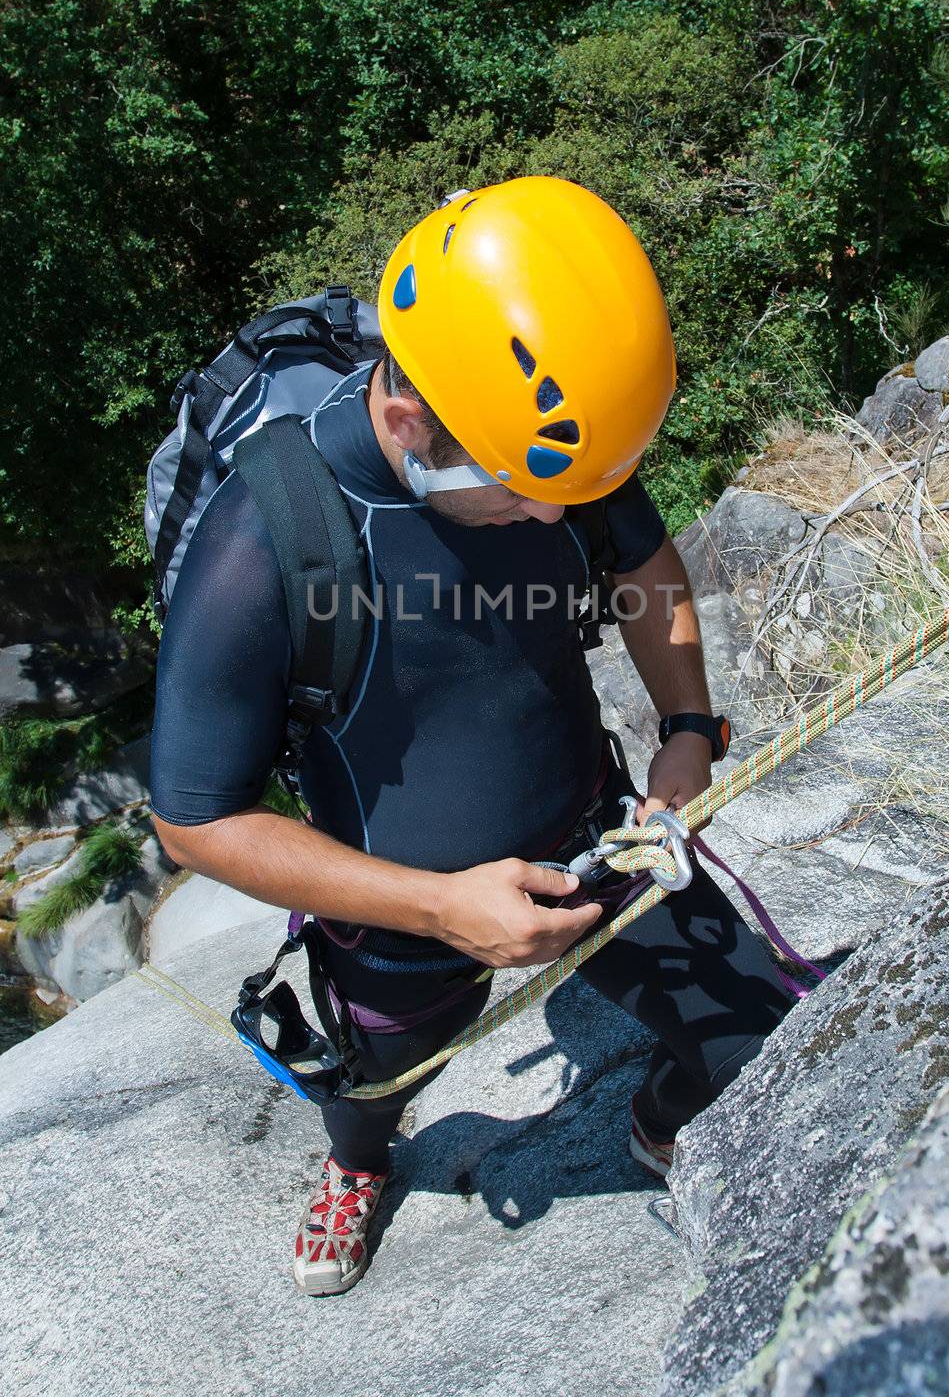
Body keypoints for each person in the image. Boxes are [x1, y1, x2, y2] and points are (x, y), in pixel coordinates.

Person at [149, 176, 791, 1297]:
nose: (553, 518)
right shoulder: (269, 534)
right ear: (408, 420)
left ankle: (657, 1124)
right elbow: (195, 817)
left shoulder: (540, 444)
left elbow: (639, 564)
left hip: (597, 835)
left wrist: (685, 729)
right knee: (372, 1087)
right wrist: (441, 907)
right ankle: (357, 1166)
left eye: (565, 492)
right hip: (397, 912)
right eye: (522, 492)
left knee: (760, 1050)